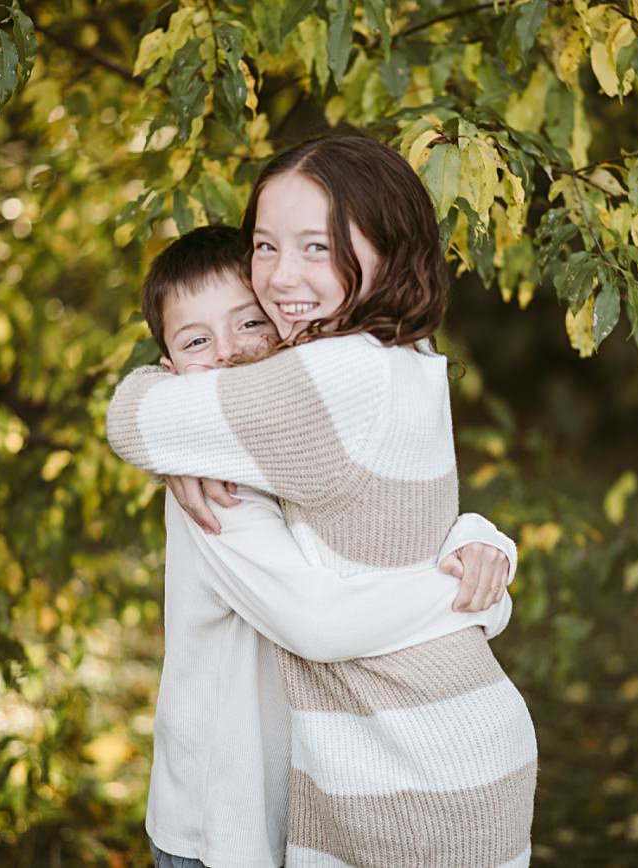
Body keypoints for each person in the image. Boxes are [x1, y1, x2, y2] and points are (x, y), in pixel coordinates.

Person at [109, 136, 538, 867]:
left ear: (388, 246)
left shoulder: (310, 384)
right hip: (240, 807)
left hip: (368, 779)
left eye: (317, 246)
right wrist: (477, 592)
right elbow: (342, 582)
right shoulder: (406, 358)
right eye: (267, 247)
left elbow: (132, 419)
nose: (281, 280)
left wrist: (482, 563)